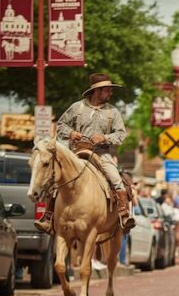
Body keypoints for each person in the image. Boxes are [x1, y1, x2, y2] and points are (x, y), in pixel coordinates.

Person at [37, 73, 135, 232]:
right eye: (108, 90)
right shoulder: (77, 108)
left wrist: (104, 137)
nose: (111, 93)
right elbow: (61, 125)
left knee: (116, 179)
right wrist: (71, 133)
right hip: (75, 152)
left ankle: (124, 215)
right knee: (56, 181)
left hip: (101, 153)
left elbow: (121, 134)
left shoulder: (113, 112)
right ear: (97, 91)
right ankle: (48, 217)